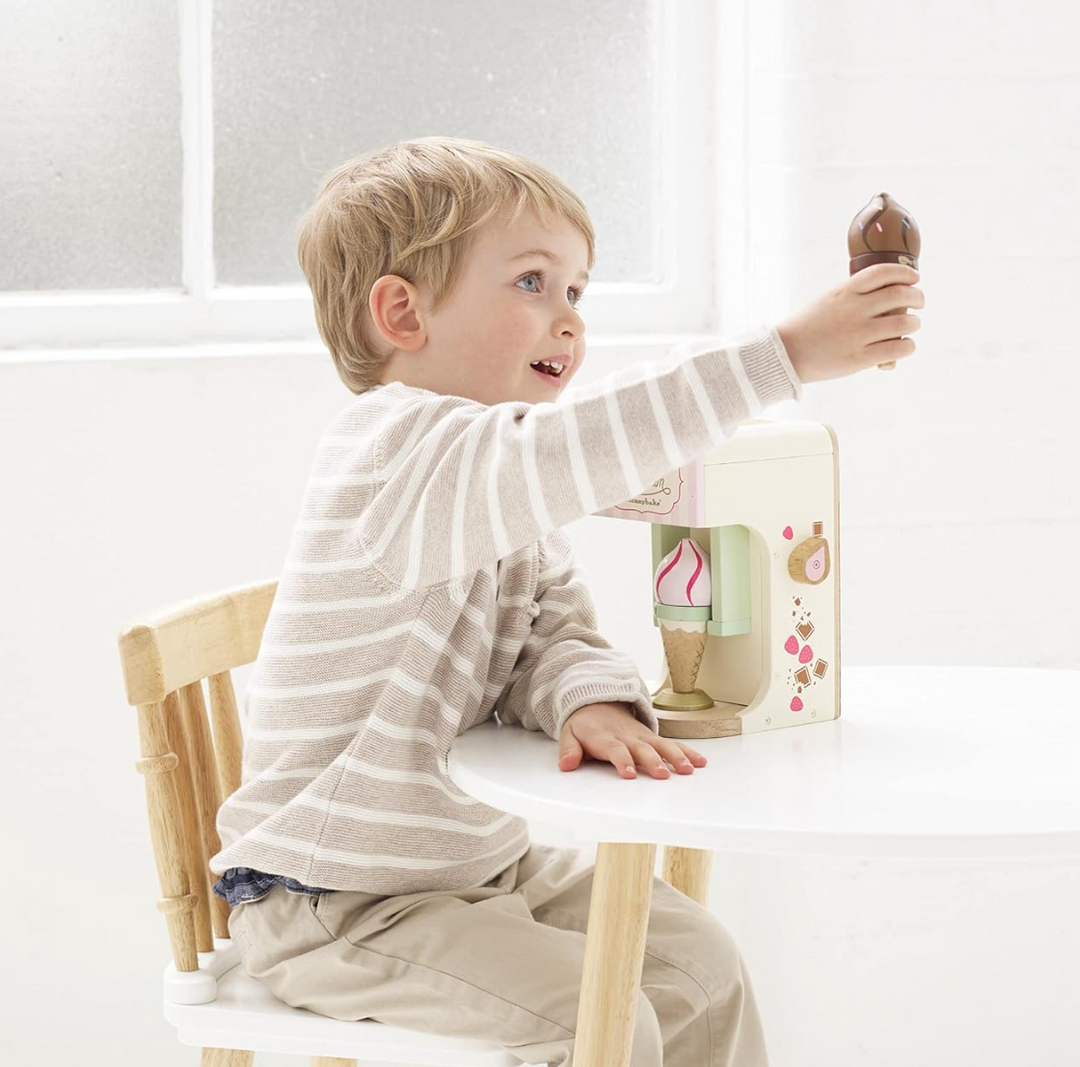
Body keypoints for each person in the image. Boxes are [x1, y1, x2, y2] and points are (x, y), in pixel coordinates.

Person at [209, 136, 924, 1066]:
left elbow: (551, 621)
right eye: (532, 283)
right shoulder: (394, 450)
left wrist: (585, 693)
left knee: (701, 967)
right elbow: (579, 448)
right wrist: (780, 356)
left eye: (577, 292)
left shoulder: (494, 481)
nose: (568, 320)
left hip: (471, 869)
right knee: (602, 1022)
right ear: (402, 311)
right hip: (337, 900)